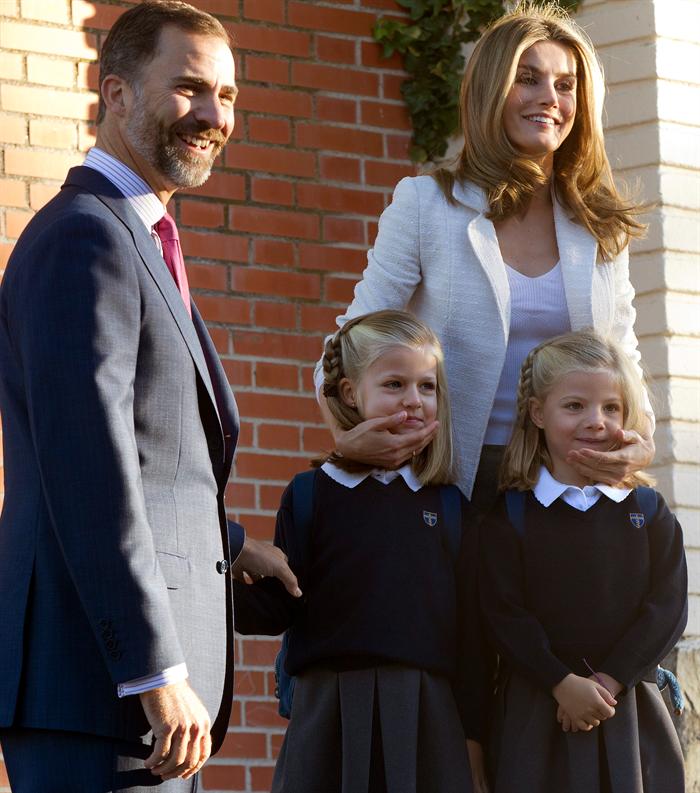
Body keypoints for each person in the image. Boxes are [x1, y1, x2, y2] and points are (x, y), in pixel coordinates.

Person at [0, 2, 299, 791]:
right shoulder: (85, 236)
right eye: (190, 88)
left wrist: (229, 544)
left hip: (136, 706)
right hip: (99, 691)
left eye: (227, 96)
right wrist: (151, 669)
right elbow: (87, 468)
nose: (214, 116)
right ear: (117, 93)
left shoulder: (140, 235)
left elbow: (146, 456)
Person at [316, 2, 654, 513]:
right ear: (490, 89)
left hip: (570, 482)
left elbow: (623, 352)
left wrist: (642, 438)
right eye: (528, 79)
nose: (550, 98)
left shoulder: (597, 223)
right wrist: (347, 436)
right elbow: (351, 339)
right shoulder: (426, 205)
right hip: (451, 483)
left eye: (566, 85)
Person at [234, 310, 492, 793]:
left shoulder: (450, 507)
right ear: (351, 393)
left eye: (427, 386)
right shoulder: (310, 495)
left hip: (429, 716)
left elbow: (472, 638)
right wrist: (224, 565)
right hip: (327, 713)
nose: (413, 399)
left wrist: (474, 736)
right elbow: (277, 608)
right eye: (394, 384)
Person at [479, 330, 687, 793]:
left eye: (611, 408)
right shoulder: (510, 516)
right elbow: (502, 613)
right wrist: (560, 683)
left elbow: (668, 607)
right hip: (539, 709)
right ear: (538, 413)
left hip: (629, 708)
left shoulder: (647, 511)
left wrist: (611, 681)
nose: (596, 421)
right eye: (575, 406)